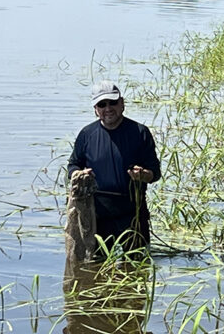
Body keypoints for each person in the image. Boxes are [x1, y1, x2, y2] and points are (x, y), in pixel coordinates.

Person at [67, 80, 161, 255]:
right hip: (97, 215)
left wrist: (143, 175)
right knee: (95, 265)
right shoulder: (87, 135)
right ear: (96, 109)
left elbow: (154, 172)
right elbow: (73, 165)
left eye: (113, 102)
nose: (108, 108)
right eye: (102, 104)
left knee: (137, 268)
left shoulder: (140, 133)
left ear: (122, 103)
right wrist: (78, 174)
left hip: (133, 213)